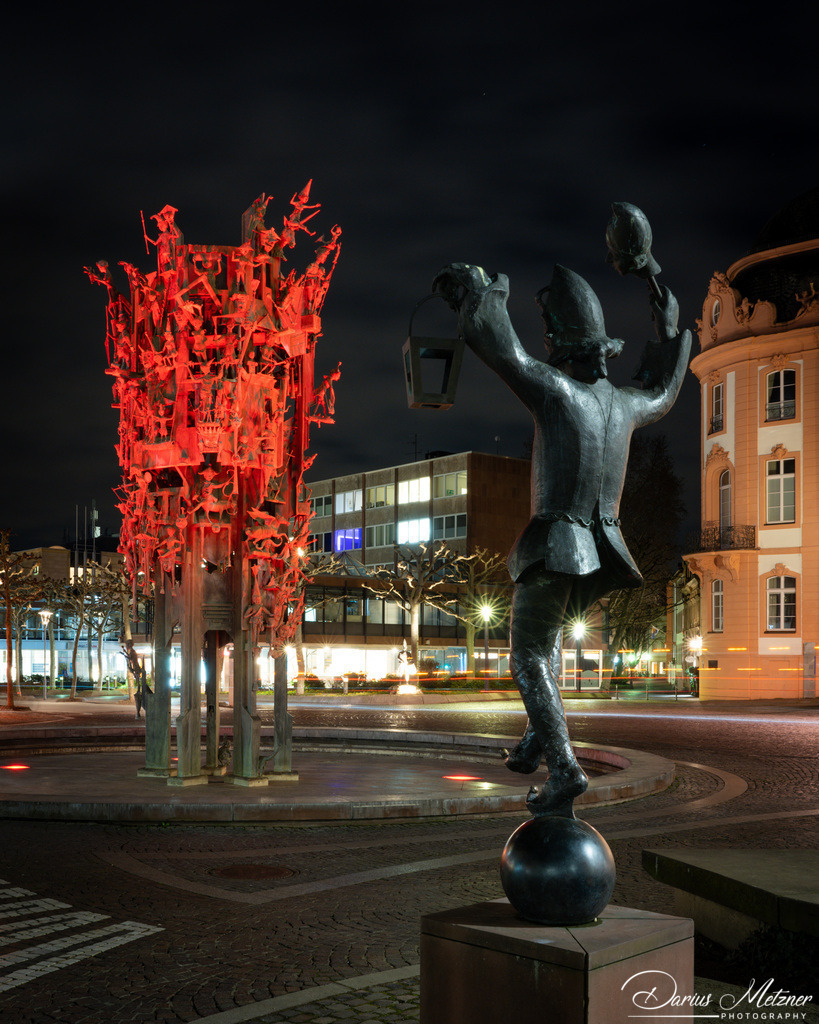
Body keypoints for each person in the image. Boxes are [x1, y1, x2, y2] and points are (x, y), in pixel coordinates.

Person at [432, 262, 691, 816]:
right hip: (602, 551)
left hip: (557, 544)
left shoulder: (557, 391)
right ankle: (535, 742)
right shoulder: (625, 404)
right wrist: (668, 330)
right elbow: (664, 393)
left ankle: (565, 768)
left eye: (550, 336)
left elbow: (508, 355)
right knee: (546, 644)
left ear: (562, 344)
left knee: (527, 655)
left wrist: (478, 295)